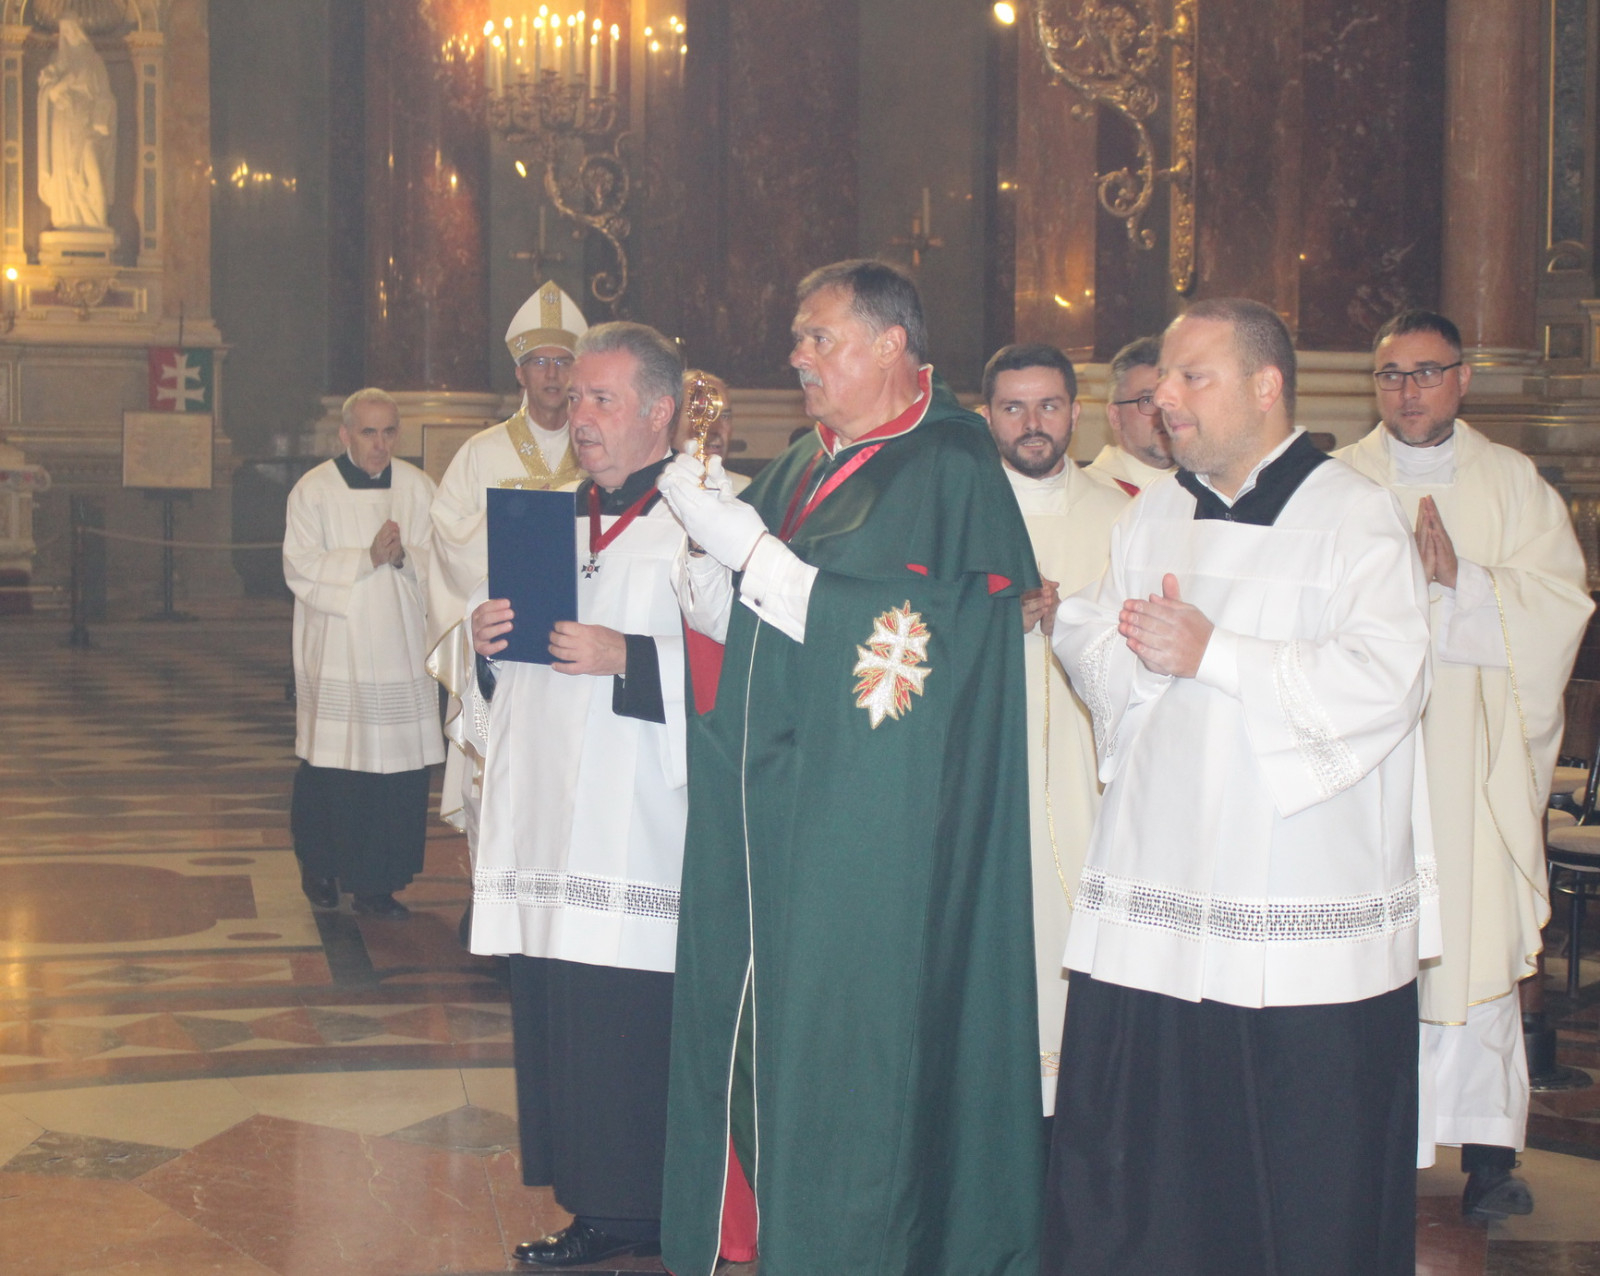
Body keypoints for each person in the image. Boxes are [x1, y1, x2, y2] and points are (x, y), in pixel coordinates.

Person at [658, 259, 1044, 1275]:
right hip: (781, 804)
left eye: (818, 336)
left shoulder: (950, 464)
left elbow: (913, 646)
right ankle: (770, 1226)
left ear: (890, 344)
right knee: (767, 1021)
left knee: (857, 1037)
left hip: (882, 825)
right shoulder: (800, 465)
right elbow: (752, 626)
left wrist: (751, 555)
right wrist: (704, 560)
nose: (797, 355)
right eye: (798, 337)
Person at [1048, 298, 1436, 1275]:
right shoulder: (1156, 512)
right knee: (1164, 1163)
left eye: (1192, 377)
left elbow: (1390, 679)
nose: (1165, 399)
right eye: (1163, 381)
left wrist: (1217, 654)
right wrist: (1126, 649)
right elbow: (1098, 633)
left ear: (1266, 388)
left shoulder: (1353, 515)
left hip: (1296, 890)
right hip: (1164, 884)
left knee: (1296, 1169)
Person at [1338, 309, 1593, 1219]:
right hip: (1369, 768)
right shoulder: (1339, 483)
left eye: (1426, 372)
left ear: (1463, 379)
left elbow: (1561, 605)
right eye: (1391, 375)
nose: (1408, 391)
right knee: (1369, 955)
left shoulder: (1513, 485)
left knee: (1476, 941)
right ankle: (1368, 1152)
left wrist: (1462, 582)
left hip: (1472, 769)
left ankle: (1489, 1158)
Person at [465, 322, 689, 1269]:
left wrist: (630, 656)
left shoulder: (706, 522)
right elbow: (496, 678)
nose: (578, 415)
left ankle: (642, 1207)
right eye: (577, 397)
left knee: (625, 1016)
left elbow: (751, 666)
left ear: (659, 412)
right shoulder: (548, 517)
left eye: (602, 399)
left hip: (639, 825)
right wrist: (482, 643)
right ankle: (591, 1200)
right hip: (550, 816)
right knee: (563, 1007)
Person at [978, 341, 1128, 1117]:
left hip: (1090, 781)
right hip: (984, 778)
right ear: (987, 417)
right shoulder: (959, 512)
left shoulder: (1122, 516)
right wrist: (990, 622)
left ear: (1077, 412)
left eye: (1048, 406)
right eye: (1013, 407)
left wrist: (1078, 625)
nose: (1032, 423)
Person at [427, 282, 588, 841]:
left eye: (563, 362)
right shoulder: (482, 451)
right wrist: (519, 525)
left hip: (578, 640)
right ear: (520, 373)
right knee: (500, 786)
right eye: (539, 362)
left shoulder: (599, 449)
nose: (552, 374)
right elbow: (447, 536)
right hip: (506, 641)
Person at [284, 388, 442, 919]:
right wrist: (366, 558)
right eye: (369, 432)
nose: (380, 444)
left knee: (396, 773)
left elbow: (442, 563)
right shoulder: (314, 491)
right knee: (334, 765)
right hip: (339, 649)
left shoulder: (418, 488)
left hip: (400, 649)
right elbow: (300, 566)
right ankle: (320, 866)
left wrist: (404, 560)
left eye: (389, 431)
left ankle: (379, 884)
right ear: (345, 434)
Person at [1084, 335, 1173, 496]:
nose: (1164, 414)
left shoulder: (1207, 487)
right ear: (1115, 416)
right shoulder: (1085, 494)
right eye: (1148, 400)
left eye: (1170, 400)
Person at [670, 367, 749, 494]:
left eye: (724, 416)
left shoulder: (748, 492)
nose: (714, 427)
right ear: (671, 423)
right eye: (701, 413)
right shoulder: (649, 493)